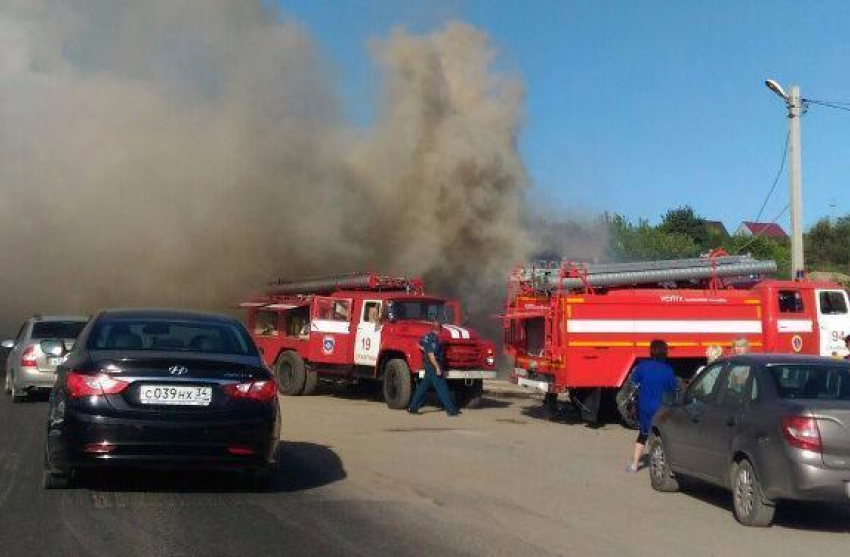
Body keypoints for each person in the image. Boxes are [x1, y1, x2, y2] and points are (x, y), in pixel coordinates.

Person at [627, 339, 677, 473]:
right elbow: (673, 390)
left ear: (651, 351)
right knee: (661, 435)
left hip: (644, 405)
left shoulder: (643, 366)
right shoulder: (668, 370)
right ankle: (661, 466)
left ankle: (634, 465)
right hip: (661, 407)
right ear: (665, 352)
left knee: (642, 434)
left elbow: (633, 381)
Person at [408, 319, 459, 416]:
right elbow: (431, 355)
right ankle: (451, 410)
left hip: (427, 366)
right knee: (442, 388)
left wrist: (425, 350)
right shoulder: (434, 340)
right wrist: (437, 368)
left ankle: (412, 407)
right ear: (439, 329)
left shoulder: (426, 337)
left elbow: (419, 344)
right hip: (433, 365)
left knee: (422, 388)